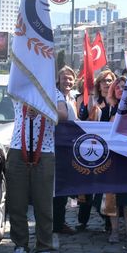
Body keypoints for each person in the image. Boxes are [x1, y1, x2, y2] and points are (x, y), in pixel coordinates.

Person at [7, 89, 67, 253]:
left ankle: (44, 248)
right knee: (16, 201)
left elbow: (63, 115)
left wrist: (42, 110)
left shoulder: (54, 92)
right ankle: (20, 247)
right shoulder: (19, 85)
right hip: (18, 148)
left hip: (45, 150)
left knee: (43, 202)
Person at [101, 76, 127, 244]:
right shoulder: (107, 109)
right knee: (112, 197)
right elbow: (100, 132)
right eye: (118, 87)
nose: (121, 90)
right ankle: (115, 231)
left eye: (125, 87)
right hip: (112, 160)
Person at [76, 69, 116, 231]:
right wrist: (91, 99)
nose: (107, 84)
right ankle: (82, 220)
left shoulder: (117, 102)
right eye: (104, 81)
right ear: (98, 84)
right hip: (91, 148)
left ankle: (108, 220)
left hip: (111, 150)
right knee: (87, 185)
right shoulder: (92, 100)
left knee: (106, 188)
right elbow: (83, 118)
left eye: (110, 80)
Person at [53, 66, 78, 236]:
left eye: (70, 79)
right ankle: (56, 223)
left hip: (69, 148)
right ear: (58, 80)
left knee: (64, 187)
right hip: (58, 147)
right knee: (57, 187)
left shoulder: (71, 98)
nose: (67, 81)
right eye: (64, 78)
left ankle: (59, 221)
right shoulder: (56, 96)